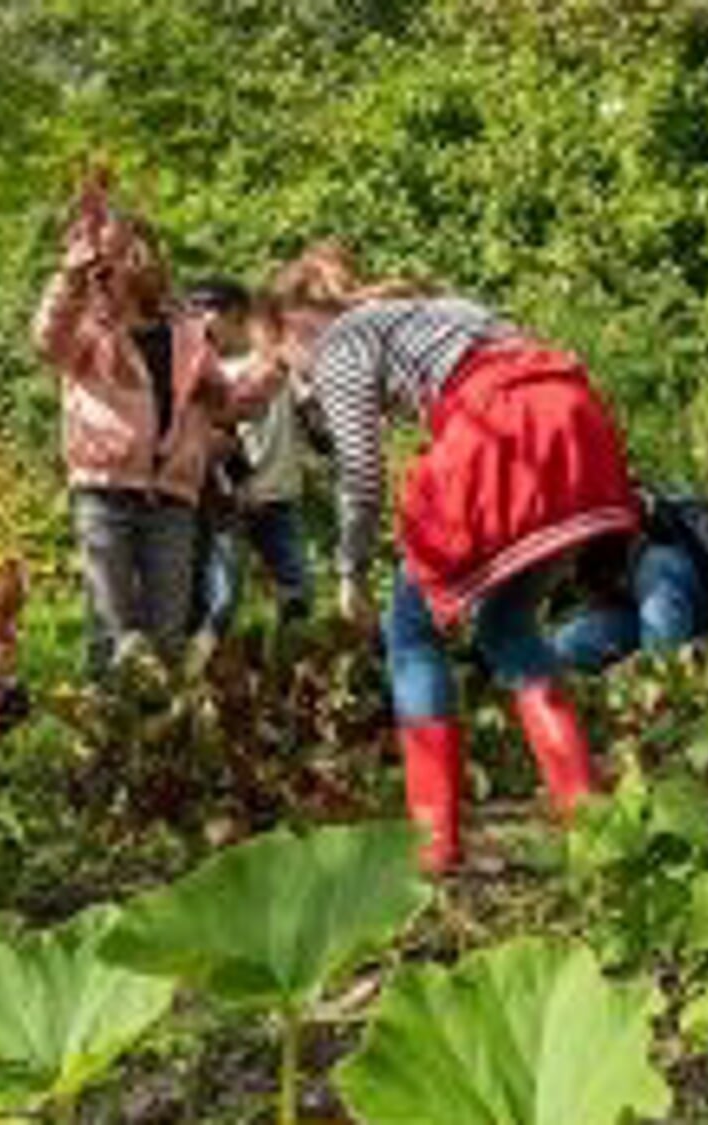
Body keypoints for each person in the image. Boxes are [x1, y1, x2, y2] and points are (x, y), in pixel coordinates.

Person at [263, 246, 640, 872]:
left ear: (292, 328)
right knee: (508, 625)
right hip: (573, 421)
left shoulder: (338, 346)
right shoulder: (436, 309)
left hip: (498, 430)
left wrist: (351, 571)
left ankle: (434, 844)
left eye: (285, 364)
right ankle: (588, 819)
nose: (296, 381)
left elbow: (360, 473)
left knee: (409, 632)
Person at [32, 169, 227, 673]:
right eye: (112, 256)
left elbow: (220, 400)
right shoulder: (87, 328)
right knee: (112, 628)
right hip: (105, 489)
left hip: (173, 494)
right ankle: (103, 740)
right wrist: (69, 280)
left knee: (167, 630)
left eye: (133, 251)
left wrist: (230, 396)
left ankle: (161, 739)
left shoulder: (188, 329)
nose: (124, 263)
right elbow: (46, 342)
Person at [552, 492, 708, 696]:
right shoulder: (602, 564)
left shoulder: (705, 524)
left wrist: (695, 655)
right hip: (667, 649)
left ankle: (663, 700)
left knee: (657, 569)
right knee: (567, 645)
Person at [185, 278, 313, 667]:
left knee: (298, 591)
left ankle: (289, 670)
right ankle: (201, 675)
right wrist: (237, 484)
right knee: (222, 599)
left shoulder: (284, 369)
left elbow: (314, 421)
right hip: (229, 501)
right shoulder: (212, 371)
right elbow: (215, 436)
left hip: (279, 499)